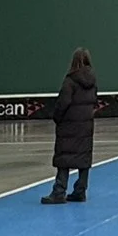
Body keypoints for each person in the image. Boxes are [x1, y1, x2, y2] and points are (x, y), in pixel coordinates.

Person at [43, 48, 98, 205]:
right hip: (86, 125)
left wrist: (57, 118)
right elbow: (95, 101)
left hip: (69, 124)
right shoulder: (93, 81)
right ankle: (80, 191)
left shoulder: (70, 80)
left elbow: (63, 102)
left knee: (64, 157)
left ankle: (59, 191)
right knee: (84, 157)